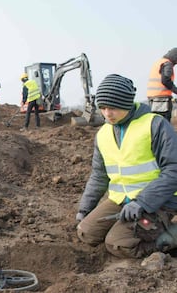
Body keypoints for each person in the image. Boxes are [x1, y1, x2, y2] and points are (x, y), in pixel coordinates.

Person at [75, 74, 177, 259]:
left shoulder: (155, 125)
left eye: (112, 108)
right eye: (103, 108)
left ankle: (172, 236)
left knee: (118, 244)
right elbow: (99, 175)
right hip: (122, 200)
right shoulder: (103, 134)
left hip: (159, 201)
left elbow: (174, 169)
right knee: (86, 232)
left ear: (127, 104)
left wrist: (142, 202)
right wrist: (84, 209)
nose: (107, 113)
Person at [147, 48, 177, 121]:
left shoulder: (159, 62)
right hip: (161, 100)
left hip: (153, 98)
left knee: (155, 122)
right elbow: (166, 80)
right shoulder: (168, 64)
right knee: (163, 123)